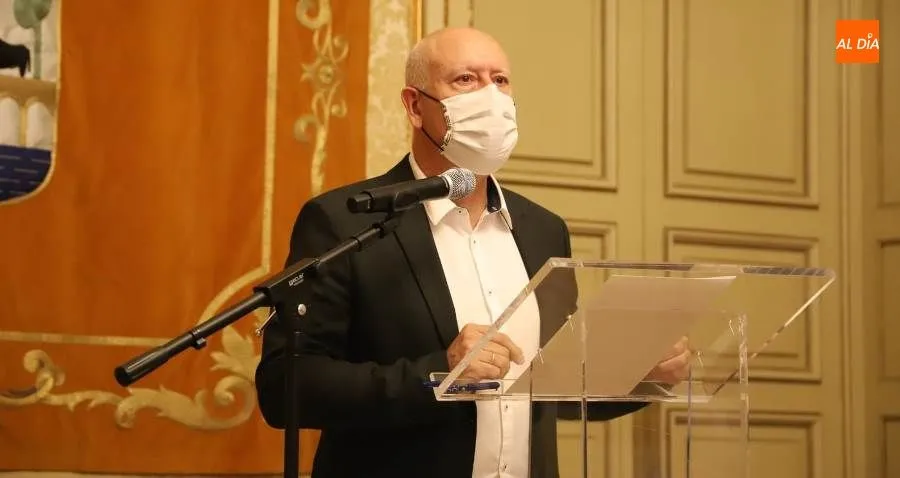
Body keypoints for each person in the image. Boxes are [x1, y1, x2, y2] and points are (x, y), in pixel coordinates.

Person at [255, 27, 691, 478]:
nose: (490, 97)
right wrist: (439, 374)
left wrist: (642, 374)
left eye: (500, 81)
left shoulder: (544, 230)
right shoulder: (347, 221)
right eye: (466, 79)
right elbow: (287, 387)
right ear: (415, 105)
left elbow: (554, 390)